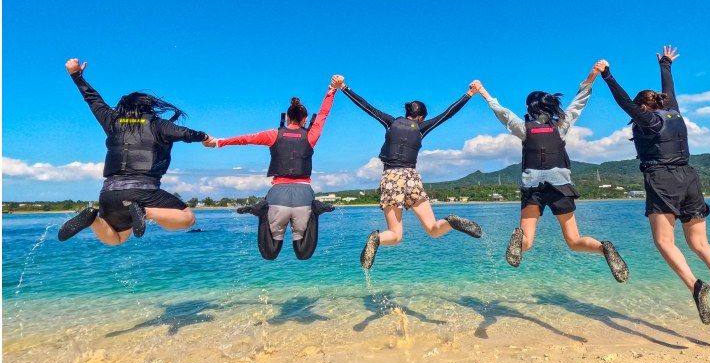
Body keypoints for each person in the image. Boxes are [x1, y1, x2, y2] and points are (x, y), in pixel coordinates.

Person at [596, 46, 710, 332]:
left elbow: (624, 102)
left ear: (643, 108)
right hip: (689, 177)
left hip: (662, 179)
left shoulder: (648, 120)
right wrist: (665, 64)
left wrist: (608, 75)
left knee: (665, 242)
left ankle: (695, 286)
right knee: (701, 244)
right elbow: (670, 89)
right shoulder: (673, 112)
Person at [472, 69, 629, 282]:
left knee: (526, 241)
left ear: (530, 108)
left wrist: (483, 92)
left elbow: (503, 113)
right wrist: (591, 78)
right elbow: (577, 104)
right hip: (560, 186)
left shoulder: (523, 128)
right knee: (574, 240)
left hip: (533, 187)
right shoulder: (560, 126)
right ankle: (604, 248)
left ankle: (517, 238)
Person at [58, 58, 208, 245]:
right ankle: (145, 212)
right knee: (187, 218)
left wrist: (76, 75)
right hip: (143, 191)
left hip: (109, 192)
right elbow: (187, 133)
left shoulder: (112, 121)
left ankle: (92, 218)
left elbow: (93, 100)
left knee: (117, 238)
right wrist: (206, 138)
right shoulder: (158, 124)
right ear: (147, 106)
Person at [340, 80, 483, 269]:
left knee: (395, 235)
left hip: (391, 178)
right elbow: (448, 114)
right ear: (421, 117)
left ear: (408, 113)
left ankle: (376, 239)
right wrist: (469, 94)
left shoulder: (391, 122)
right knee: (433, 229)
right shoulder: (422, 128)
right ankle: (450, 223)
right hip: (411, 178)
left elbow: (366, 106)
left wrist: (344, 88)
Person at [203, 76, 341, 260]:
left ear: (286, 117)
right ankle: (315, 212)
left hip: (277, 195)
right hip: (305, 196)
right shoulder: (311, 135)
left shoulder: (273, 134)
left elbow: (246, 139)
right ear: (305, 119)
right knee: (303, 253)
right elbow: (323, 114)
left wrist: (219, 142)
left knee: (269, 254)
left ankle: (262, 213)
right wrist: (332, 89)